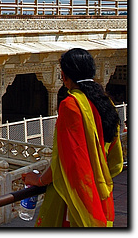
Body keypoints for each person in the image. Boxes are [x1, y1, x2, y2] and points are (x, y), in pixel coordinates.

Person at [23, 48, 123, 227]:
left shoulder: (71, 106)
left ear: (64, 75)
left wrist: (38, 180)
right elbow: (115, 160)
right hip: (100, 193)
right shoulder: (106, 103)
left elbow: (68, 160)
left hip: (75, 198)